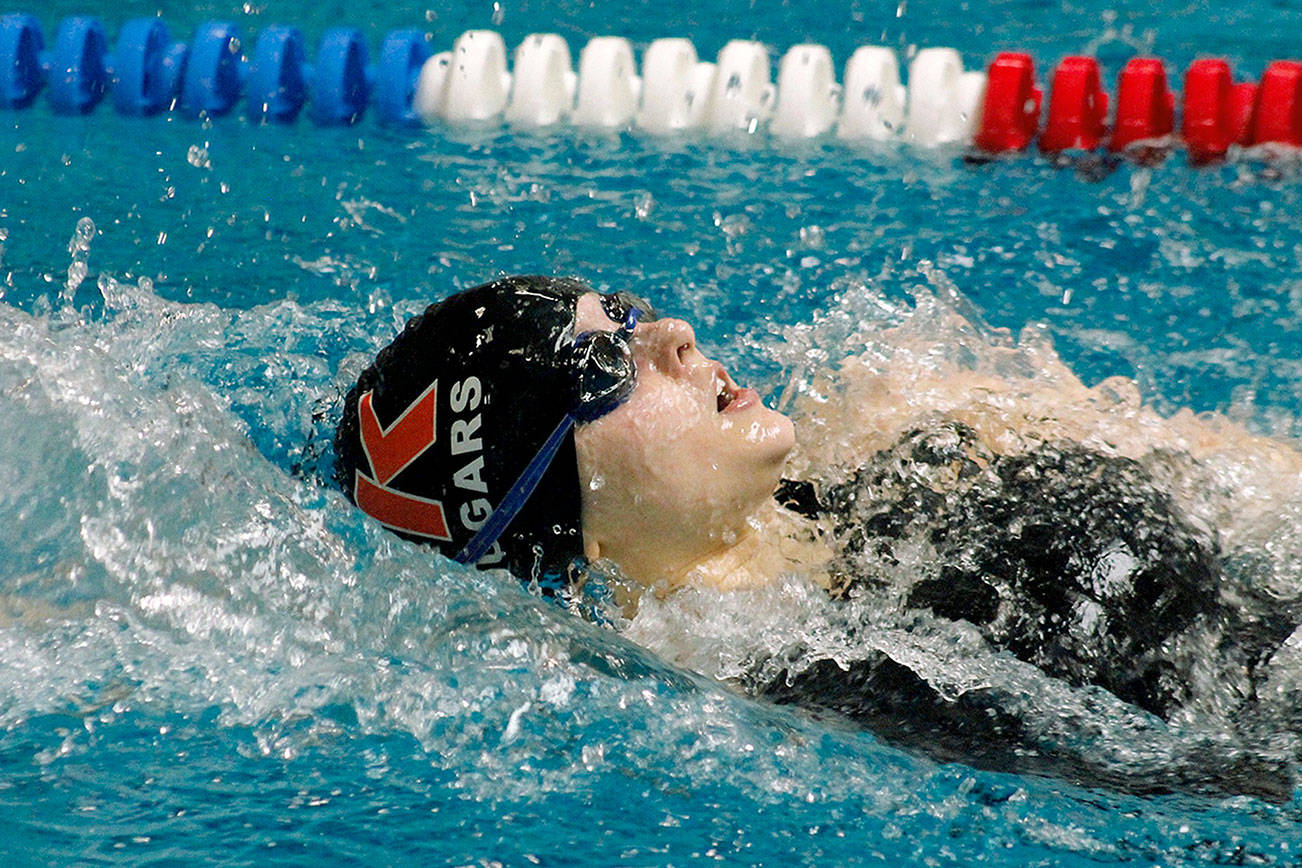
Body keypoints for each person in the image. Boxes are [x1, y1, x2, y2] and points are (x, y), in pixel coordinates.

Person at [334, 274, 1302, 799]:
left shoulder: (885, 421)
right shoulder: (836, 692)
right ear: (549, 514)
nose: (671, 334)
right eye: (602, 364)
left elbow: (1247, 473)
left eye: (621, 311)